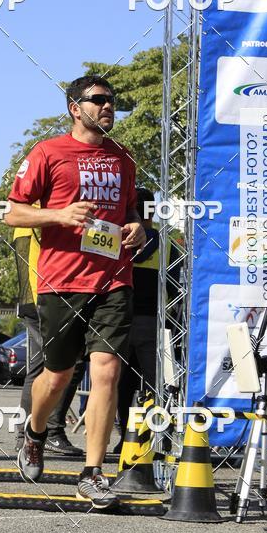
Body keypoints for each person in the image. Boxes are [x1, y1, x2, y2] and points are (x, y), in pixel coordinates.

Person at [5, 74, 146, 508]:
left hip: (113, 279)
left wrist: (139, 228)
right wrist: (60, 215)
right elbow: (13, 214)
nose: (108, 107)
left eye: (112, 101)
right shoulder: (49, 153)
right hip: (61, 281)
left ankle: (92, 473)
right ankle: (35, 431)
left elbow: (132, 214)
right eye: (98, 100)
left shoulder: (123, 158)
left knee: (106, 371)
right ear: (75, 108)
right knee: (59, 374)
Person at [115, 187, 180, 451]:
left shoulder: (119, 241)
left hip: (120, 320)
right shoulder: (168, 245)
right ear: (153, 212)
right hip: (154, 322)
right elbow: (176, 290)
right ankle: (160, 437)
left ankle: (126, 439)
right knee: (158, 384)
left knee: (122, 385)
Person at [12, 225, 85, 456]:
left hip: (31, 301)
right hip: (45, 300)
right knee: (70, 364)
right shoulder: (39, 214)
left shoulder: (25, 221)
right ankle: (51, 431)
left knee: (36, 370)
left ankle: (24, 435)